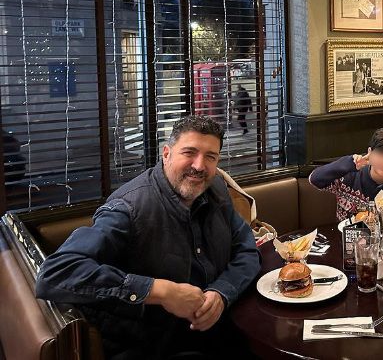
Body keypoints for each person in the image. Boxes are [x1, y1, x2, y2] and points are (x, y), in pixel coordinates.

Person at [35, 115, 261, 359]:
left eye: (210, 157)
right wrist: (159, 291)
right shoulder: (129, 208)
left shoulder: (216, 189)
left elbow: (247, 250)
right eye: (189, 152)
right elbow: (56, 273)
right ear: (166, 154)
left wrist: (221, 292)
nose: (199, 165)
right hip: (150, 345)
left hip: (214, 331)